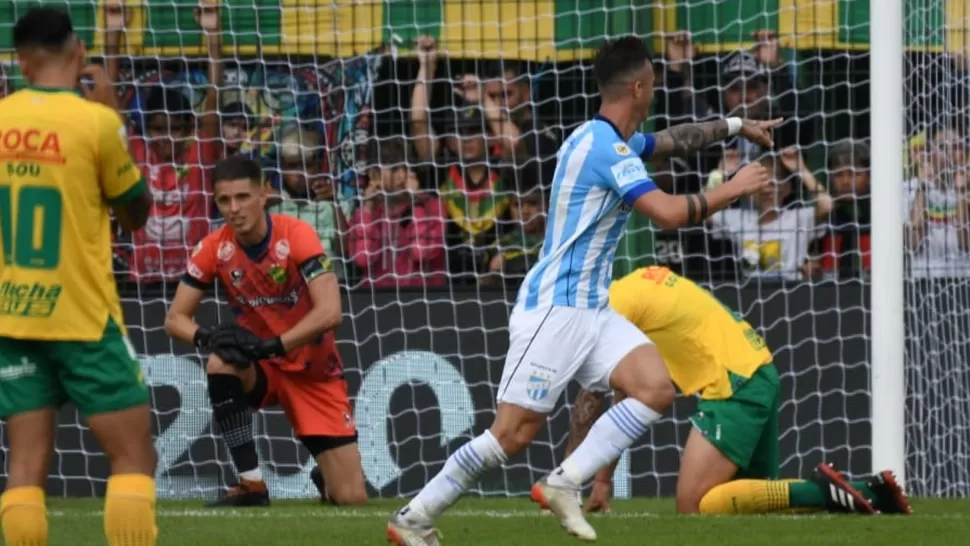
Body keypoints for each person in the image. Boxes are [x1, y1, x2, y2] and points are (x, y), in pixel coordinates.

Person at [387, 36, 779, 545]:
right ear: (639, 87)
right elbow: (668, 213)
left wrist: (734, 125)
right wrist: (737, 184)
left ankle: (566, 481)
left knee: (655, 387)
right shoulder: (603, 149)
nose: (656, 88)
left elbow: (674, 139)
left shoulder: (606, 139)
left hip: (592, 309)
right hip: (556, 309)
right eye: (654, 81)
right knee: (512, 435)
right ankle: (413, 518)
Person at [555, 266, 911, 517]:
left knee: (693, 505)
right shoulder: (637, 283)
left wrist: (569, 480)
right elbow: (627, 398)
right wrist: (603, 481)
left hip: (733, 385)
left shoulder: (612, 310)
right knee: (752, 506)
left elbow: (591, 400)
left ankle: (824, 490)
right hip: (760, 371)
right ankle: (870, 492)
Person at [0, 8, 156, 546]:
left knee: (24, 466)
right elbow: (136, 214)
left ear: (20, 63)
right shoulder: (94, 123)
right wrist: (114, 118)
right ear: (80, 52)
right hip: (81, 316)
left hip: (12, 315)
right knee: (132, 454)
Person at [163, 155, 367, 507]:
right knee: (219, 362)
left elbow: (330, 312)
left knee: (351, 498)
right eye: (225, 200)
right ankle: (251, 485)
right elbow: (174, 318)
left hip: (312, 373)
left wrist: (272, 345)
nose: (234, 208)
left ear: (265, 194)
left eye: (243, 197)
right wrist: (208, 338)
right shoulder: (215, 247)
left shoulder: (297, 234)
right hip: (264, 369)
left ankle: (326, 475)